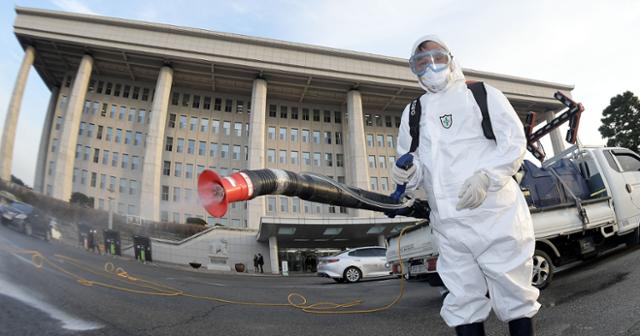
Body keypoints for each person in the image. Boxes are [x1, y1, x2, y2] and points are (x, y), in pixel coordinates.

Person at [391, 35, 540, 336]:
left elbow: (513, 142)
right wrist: (406, 173)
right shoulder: (413, 112)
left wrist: (488, 176)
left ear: (451, 59)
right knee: (462, 300)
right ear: (413, 69)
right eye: (421, 62)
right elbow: (416, 164)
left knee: (514, 294)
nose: (431, 66)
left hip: (496, 216)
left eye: (437, 57)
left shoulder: (481, 94)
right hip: (449, 226)